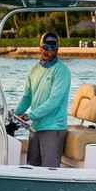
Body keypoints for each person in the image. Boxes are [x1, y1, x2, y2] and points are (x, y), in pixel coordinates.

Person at [13, 33, 71, 167]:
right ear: (40, 48)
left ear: (57, 49)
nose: (48, 52)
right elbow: (27, 97)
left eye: (52, 49)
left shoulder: (61, 71)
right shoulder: (33, 70)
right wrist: (15, 115)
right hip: (35, 127)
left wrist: (29, 116)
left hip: (53, 127)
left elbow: (54, 101)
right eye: (45, 47)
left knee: (49, 171)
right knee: (32, 168)